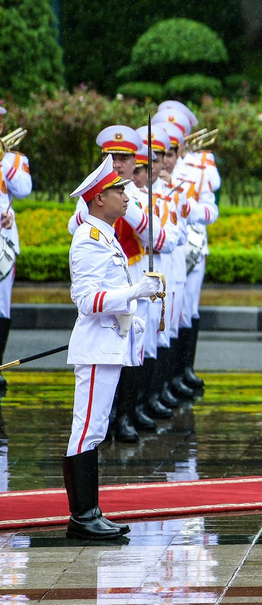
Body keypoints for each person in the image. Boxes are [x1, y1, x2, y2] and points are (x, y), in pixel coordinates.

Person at [63, 156, 163, 539]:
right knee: (86, 428)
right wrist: (135, 291)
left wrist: (135, 303)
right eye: (118, 190)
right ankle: (83, 516)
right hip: (95, 347)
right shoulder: (89, 240)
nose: (125, 195)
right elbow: (87, 300)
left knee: (95, 427)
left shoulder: (105, 235)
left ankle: (90, 511)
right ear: (99, 198)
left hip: (107, 345)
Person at [0, 105, 32, 394]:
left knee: (1, 306)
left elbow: (23, 189)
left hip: (3, 241)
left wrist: (2, 159)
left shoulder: (14, 159)